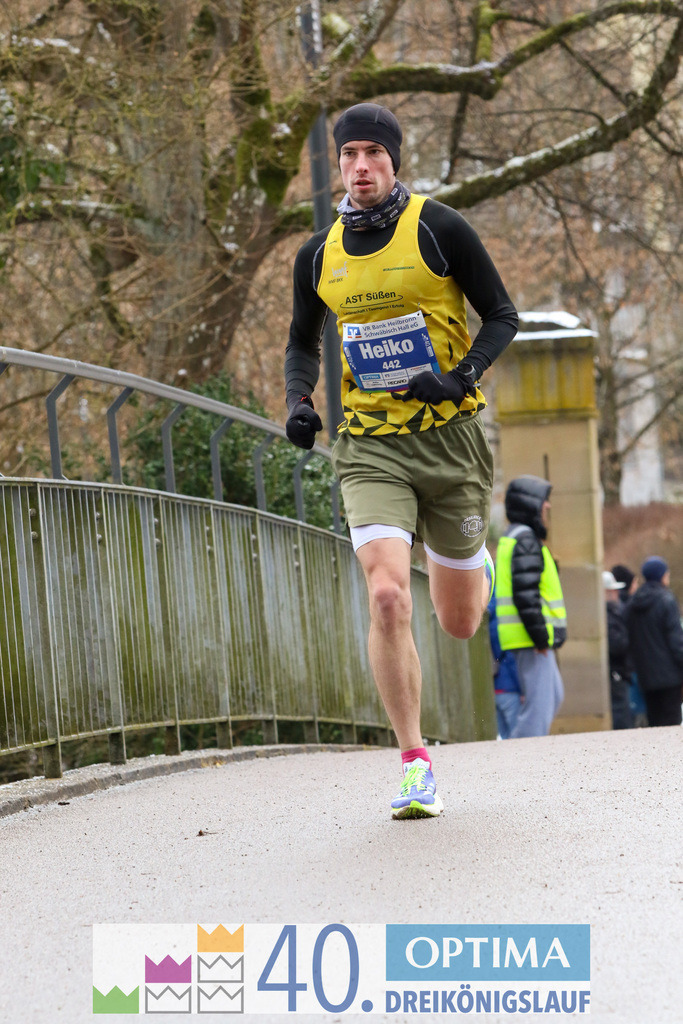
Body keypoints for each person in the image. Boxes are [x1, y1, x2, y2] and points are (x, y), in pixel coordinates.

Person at [284, 103, 518, 818]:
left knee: (457, 623)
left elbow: (502, 314)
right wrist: (298, 400)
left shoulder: (440, 229)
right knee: (386, 594)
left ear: (393, 162)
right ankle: (414, 761)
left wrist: (461, 374)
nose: (359, 167)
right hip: (370, 445)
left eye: (372, 155)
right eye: (348, 154)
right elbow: (300, 340)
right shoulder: (317, 253)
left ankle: (469, 561)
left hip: (451, 442)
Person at [492, 476, 566, 738]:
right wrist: (540, 637)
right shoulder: (525, 541)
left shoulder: (516, 538)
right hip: (531, 637)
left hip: (527, 636)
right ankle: (521, 761)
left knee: (553, 696)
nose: (548, 507)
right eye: (544, 502)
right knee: (538, 709)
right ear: (531, 505)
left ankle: (520, 755)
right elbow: (526, 595)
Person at [624, 556, 683, 727]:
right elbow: (676, 641)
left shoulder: (632, 603)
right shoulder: (666, 600)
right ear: (662, 576)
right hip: (669, 677)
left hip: (644, 675)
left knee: (654, 723)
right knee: (672, 725)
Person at [610, 562, 648, 726]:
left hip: (626, 668)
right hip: (630, 668)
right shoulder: (629, 607)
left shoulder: (621, 607)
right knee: (633, 715)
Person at [487, 593, 522, 739]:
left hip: (494, 689)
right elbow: (511, 659)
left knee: (505, 738)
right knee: (520, 738)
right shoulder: (506, 623)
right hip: (510, 688)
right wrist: (522, 690)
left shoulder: (488, 622)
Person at [603, 570, 634, 730]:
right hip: (616, 672)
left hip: (620, 673)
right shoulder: (608, 614)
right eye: (612, 590)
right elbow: (618, 645)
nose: (616, 593)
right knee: (621, 719)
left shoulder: (614, 611)